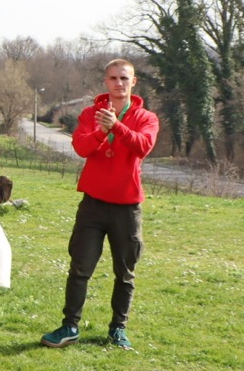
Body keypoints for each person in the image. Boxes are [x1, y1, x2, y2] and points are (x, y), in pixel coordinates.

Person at [42, 59, 158, 350]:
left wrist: (117, 127)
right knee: (80, 267)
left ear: (134, 82)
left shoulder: (146, 117)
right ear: (105, 82)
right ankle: (70, 326)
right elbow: (81, 148)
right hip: (93, 204)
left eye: (124, 78)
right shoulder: (89, 113)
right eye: (113, 78)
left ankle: (118, 328)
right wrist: (101, 129)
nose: (118, 83)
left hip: (127, 206)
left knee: (125, 272)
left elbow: (143, 146)